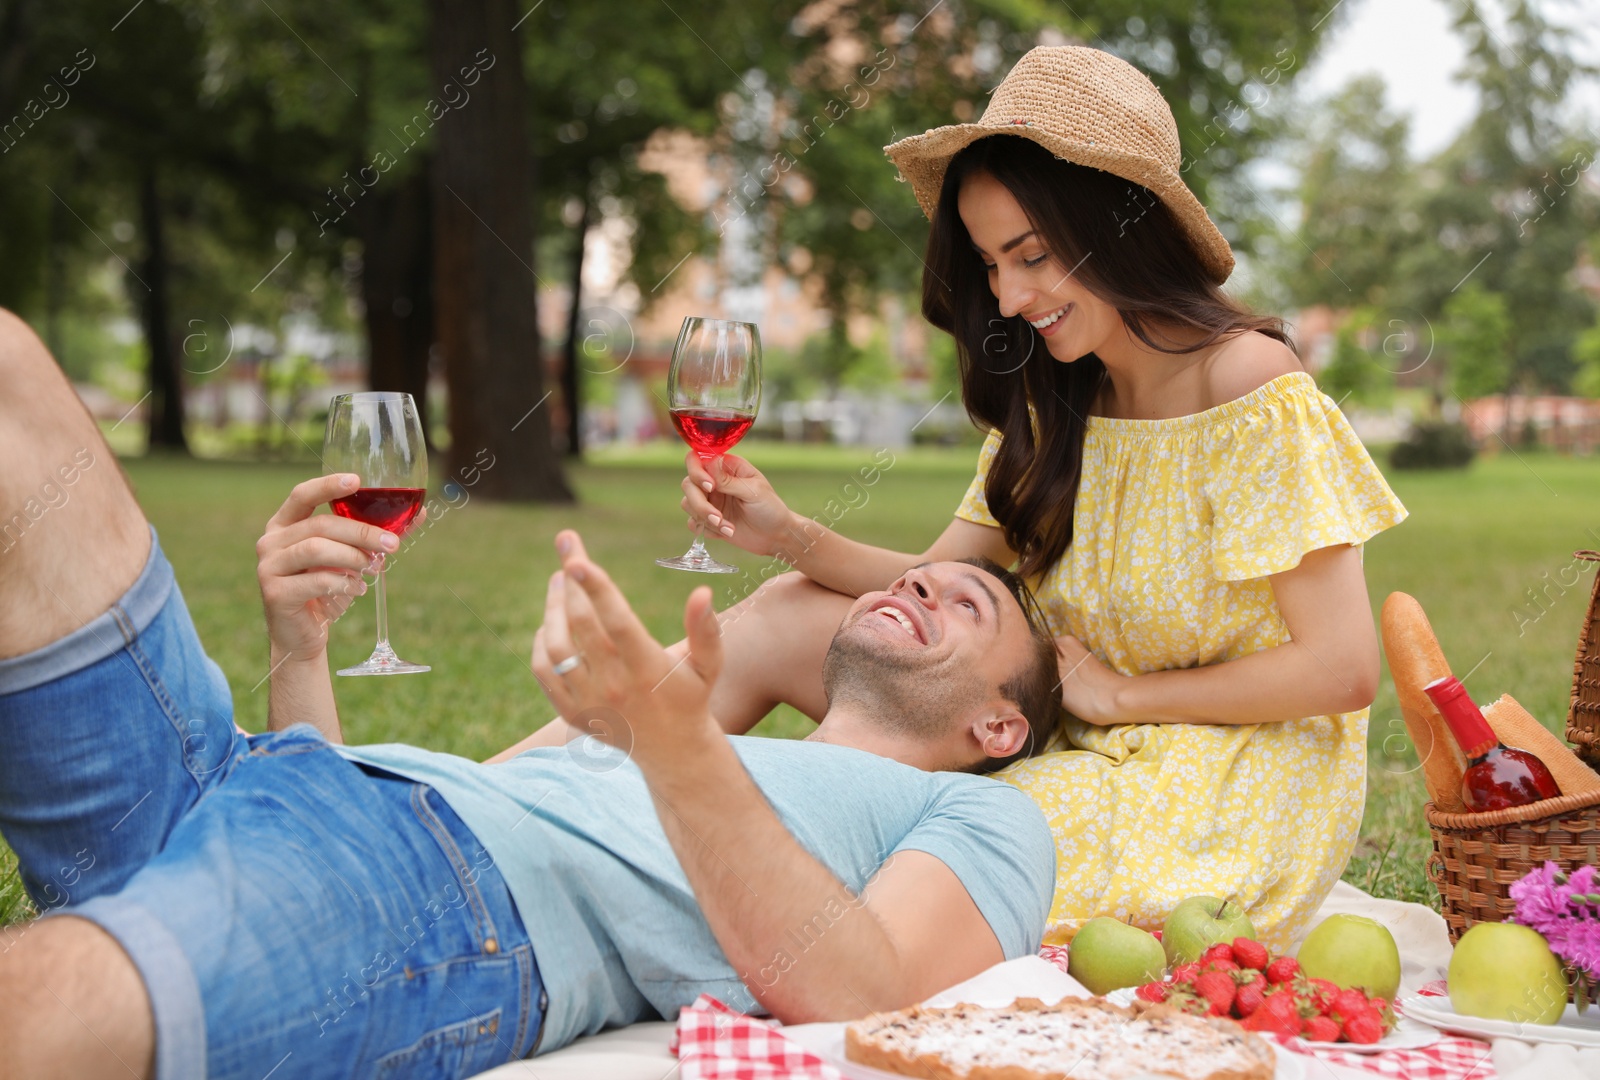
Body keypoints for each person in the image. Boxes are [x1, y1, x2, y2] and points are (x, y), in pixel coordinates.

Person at [0, 311, 1059, 1079]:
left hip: (452, 903)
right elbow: (341, 805)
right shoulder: (685, 741)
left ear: (998, 723)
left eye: (966, 602)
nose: (917, 577)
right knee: (14, 379)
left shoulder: (985, 815)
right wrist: (301, 648)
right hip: (265, 792)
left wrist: (670, 739)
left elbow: (862, 991)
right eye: (917, 574)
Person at [524, 45, 1409, 950]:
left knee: (944, 825)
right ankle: (495, 798)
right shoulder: (1059, 392)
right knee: (793, 613)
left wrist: (1121, 697)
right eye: (991, 262)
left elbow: (1340, 669)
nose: (1011, 294)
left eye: (1032, 255)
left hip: (1220, 770)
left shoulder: (1247, 384)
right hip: (1061, 719)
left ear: (1122, 225)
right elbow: (939, 580)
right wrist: (787, 533)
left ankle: (629, 864)